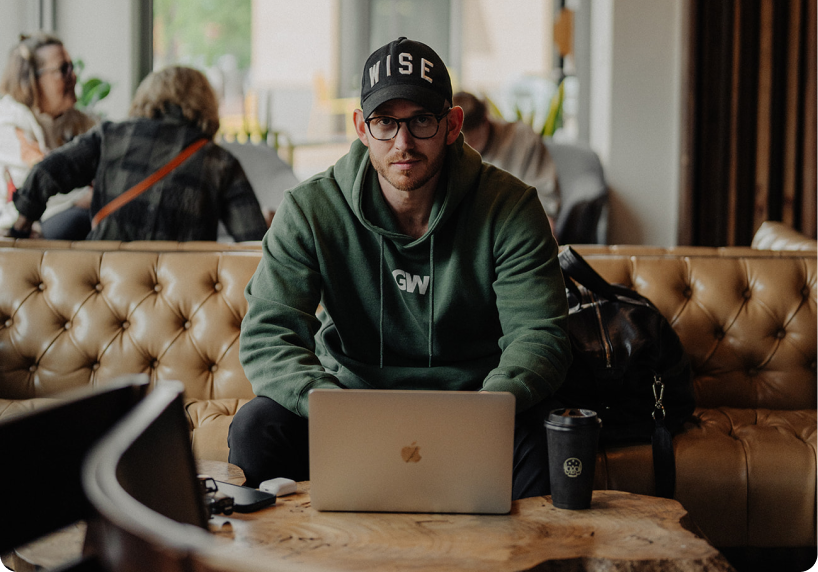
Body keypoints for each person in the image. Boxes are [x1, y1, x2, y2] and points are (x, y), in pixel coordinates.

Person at [229, 37, 571, 500]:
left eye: (421, 121)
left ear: (452, 125)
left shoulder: (510, 207)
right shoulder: (310, 209)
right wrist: (330, 405)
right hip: (347, 406)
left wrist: (487, 410)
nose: (403, 143)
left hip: (478, 406)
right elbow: (270, 334)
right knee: (256, 427)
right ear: (361, 127)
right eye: (386, 123)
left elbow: (538, 334)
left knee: (543, 434)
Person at [9, 65, 268, 242]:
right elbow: (253, 240)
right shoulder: (220, 161)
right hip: (182, 297)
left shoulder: (109, 136)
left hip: (105, 283)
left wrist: (21, 228)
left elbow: (45, 172)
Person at [0, 32, 97, 239]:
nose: (74, 76)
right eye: (63, 69)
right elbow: (37, 186)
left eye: (72, 67)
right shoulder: (9, 122)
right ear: (30, 80)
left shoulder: (79, 121)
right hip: (23, 228)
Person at [453, 91, 560, 228]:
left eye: (472, 141)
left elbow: (545, 205)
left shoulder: (522, 139)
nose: (467, 149)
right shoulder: (444, 146)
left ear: (486, 121)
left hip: (518, 223)